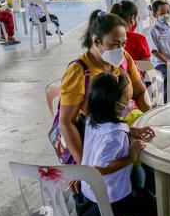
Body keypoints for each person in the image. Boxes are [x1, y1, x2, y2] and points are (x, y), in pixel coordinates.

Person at [59, 11, 153, 168]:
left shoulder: (124, 60)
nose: (120, 50)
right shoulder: (79, 71)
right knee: (139, 174)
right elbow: (67, 122)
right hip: (99, 139)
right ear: (96, 41)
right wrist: (84, 166)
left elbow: (140, 92)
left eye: (123, 44)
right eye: (114, 44)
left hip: (124, 129)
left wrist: (147, 119)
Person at [74, 73, 158, 216]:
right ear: (113, 104)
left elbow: (110, 129)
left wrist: (132, 130)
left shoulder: (92, 118)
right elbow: (99, 168)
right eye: (127, 98)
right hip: (109, 202)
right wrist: (131, 156)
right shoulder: (115, 134)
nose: (131, 103)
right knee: (159, 211)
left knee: (141, 191)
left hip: (88, 195)